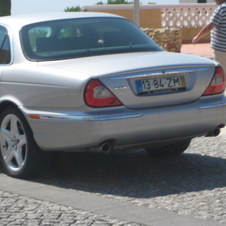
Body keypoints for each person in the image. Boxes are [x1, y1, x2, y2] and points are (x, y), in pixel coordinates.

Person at [192, 0, 226, 75]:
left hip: (222, 48)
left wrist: (198, 36)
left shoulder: (222, 8)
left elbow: (210, 26)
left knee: (222, 72)